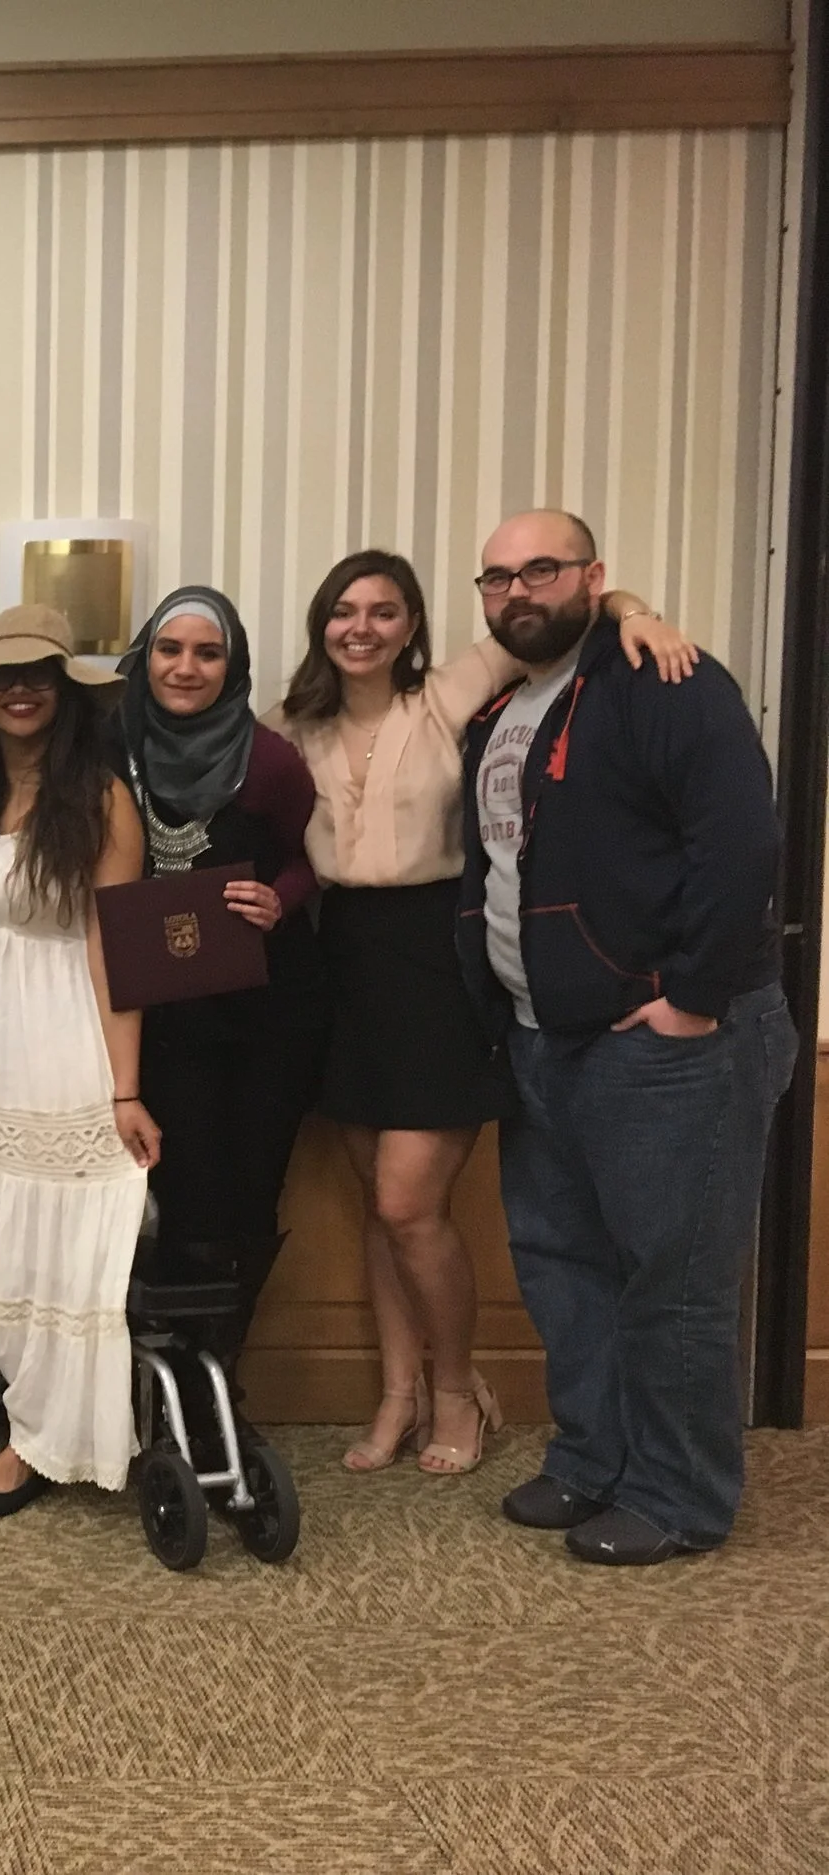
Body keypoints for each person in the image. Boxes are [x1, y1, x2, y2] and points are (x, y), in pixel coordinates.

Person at [273, 550, 690, 1477]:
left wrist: (637, 612)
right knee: (378, 1209)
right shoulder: (289, 724)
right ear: (321, 624)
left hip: (438, 958)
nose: (361, 628)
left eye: (384, 611)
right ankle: (398, 1393)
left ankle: (459, 1387)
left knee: (408, 1202)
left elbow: (574, 609)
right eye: (344, 610)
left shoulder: (453, 691)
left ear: (412, 626)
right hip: (340, 960)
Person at [461, 510, 791, 1567]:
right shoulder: (502, 711)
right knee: (562, 1265)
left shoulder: (666, 682)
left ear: (593, 576)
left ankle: (677, 1494)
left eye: (541, 569)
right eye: (497, 577)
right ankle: (594, 1459)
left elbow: (741, 842)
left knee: (672, 1277)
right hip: (541, 1037)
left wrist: (691, 995)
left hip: (668, 1043)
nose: (518, 591)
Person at [0, 604, 157, 1517]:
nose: (18, 690)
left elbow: (113, 945)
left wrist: (125, 1088)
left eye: (38, 676)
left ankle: (38, 1440)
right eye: (1, 677)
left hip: (59, 1040)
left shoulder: (100, 797)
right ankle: (32, 1402)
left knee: (53, 1250)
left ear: (65, 692)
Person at [114, 587, 327, 1394]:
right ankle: (168, 1377)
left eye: (208, 653)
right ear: (145, 658)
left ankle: (218, 1378)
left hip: (264, 1011)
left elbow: (306, 857)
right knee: (181, 1187)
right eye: (170, 650)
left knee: (250, 1189)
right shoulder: (111, 747)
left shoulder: (268, 759)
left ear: (231, 667)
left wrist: (281, 899)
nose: (186, 667)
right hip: (161, 1016)